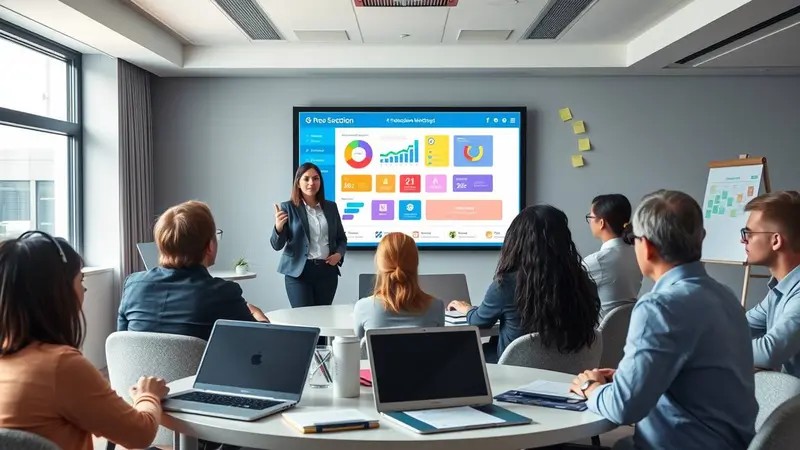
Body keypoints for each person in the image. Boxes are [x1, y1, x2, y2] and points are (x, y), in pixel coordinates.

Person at [570, 190, 757, 450]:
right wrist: (627, 378)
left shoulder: (659, 307)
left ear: (645, 247)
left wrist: (590, 387)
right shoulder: (724, 296)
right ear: (700, 238)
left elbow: (624, 408)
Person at [0, 231, 169, 450]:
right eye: (80, 279)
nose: (84, 289)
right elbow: (140, 434)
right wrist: (148, 395)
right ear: (58, 291)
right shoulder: (60, 367)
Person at [448, 205, 600, 363]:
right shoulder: (583, 282)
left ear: (516, 240)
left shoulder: (505, 285)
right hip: (567, 371)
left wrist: (467, 309)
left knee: (462, 356)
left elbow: (479, 321)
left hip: (516, 369)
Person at [119, 200, 268, 341]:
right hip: (202, 370)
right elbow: (257, 349)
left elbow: (122, 345)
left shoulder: (133, 286)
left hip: (139, 369)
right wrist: (260, 317)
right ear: (210, 246)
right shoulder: (223, 294)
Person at [271, 162, 347, 308]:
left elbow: (341, 239)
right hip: (299, 274)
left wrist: (339, 254)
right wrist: (278, 228)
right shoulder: (288, 207)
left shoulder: (331, 207)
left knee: (324, 320)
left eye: (316, 178)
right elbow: (276, 245)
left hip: (326, 272)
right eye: (306, 179)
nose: (311, 183)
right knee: (303, 320)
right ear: (298, 183)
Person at [742, 191, 800, 376]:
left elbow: (769, 352)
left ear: (776, 240)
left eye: (748, 234)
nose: (742, 240)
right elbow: (736, 326)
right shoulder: (780, 289)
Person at [353, 232, 444, 338]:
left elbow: (359, 345)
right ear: (416, 263)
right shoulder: (436, 307)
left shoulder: (363, 308)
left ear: (379, 264)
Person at [583, 194, 643, 317]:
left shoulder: (597, 261)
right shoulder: (638, 253)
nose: (589, 221)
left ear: (601, 223)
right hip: (628, 329)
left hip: (601, 332)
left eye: (590, 217)